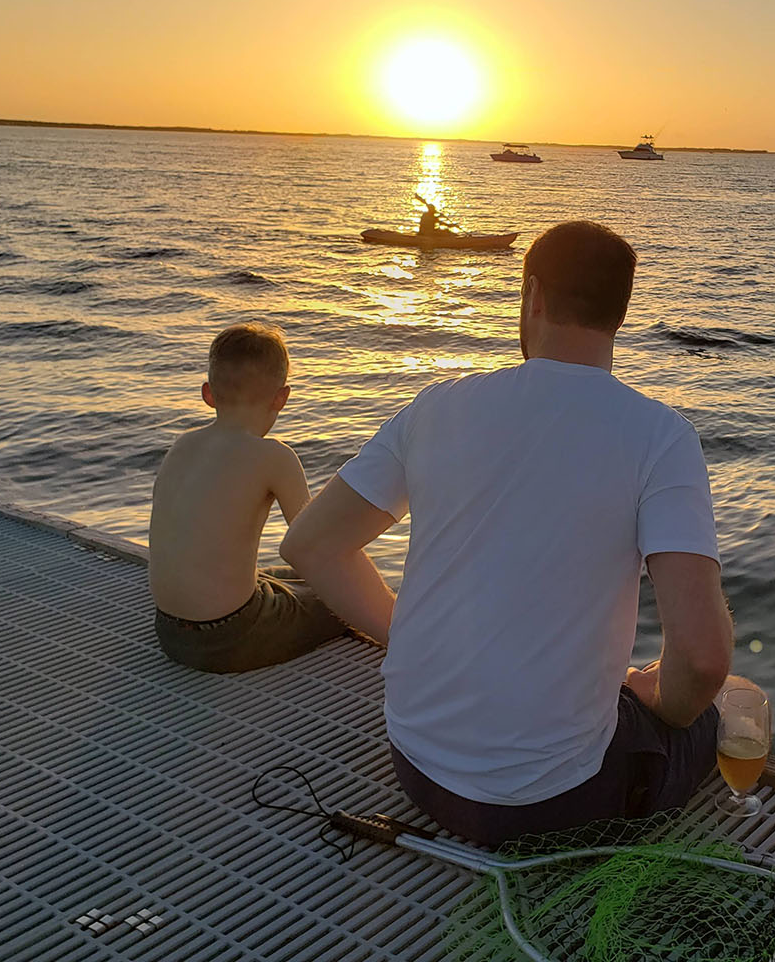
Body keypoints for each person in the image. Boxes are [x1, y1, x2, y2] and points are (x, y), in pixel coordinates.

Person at [282, 221, 734, 845]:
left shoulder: (435, 407)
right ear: (621, 315)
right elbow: (706, 659)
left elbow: (310, 543)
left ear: (534, 296)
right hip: (556, 801)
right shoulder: (660, 436)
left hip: (414, 766)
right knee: (734, 697)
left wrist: (404, 630)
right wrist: (662, 704)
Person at [149, 323, 357, 672]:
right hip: (230, 638)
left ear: (208, 394)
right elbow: (315, 547)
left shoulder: (182, 445)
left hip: (168, 632)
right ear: (282, 398)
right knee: (343, 602)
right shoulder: (274, 456)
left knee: (282, 576)